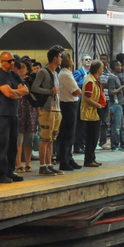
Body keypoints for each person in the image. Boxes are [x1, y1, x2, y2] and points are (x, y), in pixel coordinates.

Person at [0, 51, 29, 183]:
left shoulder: (15, 75)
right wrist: (16, 92)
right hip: (1, 115)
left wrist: (14, 92)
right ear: (2, 62)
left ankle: (10, 171)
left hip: (13, 114)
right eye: (10, 61)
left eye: (13, 61)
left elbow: (25, 91)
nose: (13, 63)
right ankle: (0, 173)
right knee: (2, 144)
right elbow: (8, 94)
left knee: (13, 145)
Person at [30, 46, 63, 177]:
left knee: (51, 139)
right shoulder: (43, 72)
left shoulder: (55, 73)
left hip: (56, 109)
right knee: (45, 138)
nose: (61, 59)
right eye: (59, 57)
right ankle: (42, 166)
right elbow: (34, 87)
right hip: (47, 109)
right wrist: (50, 91)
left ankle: (49, 164)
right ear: (55, 58)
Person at [56, 52, 81, 171]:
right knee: (68, 134)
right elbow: (76, 91)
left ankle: (68, 158)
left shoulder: (65, 73)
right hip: (68, 105)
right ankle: (64, 160)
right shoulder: (66, 74)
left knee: (69, 134)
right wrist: (79, 90)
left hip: (68, 104)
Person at [80, 60, 105, 167]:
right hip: (91, 113)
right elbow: (86, 98)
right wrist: (97, 105)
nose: (103, 70)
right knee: (92, 138)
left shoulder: (94, 80)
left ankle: (92, 158)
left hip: (94, 113)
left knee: (94, 138)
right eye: (102, 68)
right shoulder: (90, 81)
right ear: (99, 69)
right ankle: (89, 159)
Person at [16, 59, 38, 173]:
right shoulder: (14, 79)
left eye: (24, 67)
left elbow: (34, 95)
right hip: (18, 110)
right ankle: (18, 163)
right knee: (19, 139)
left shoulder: (31, 80)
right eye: (19, 67)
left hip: (30, 111)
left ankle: (28, 163)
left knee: (29, 138)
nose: (21, 69)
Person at [106, 61, 124, 151]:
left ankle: (123, 144)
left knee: (122, 126)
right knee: (116, 126)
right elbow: (111, 91)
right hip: (115, 104)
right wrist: (122, 88)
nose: (121, 67)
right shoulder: (112, 78)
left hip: (119, 104)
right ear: (115, 67)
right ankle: (115, 145)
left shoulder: (116, 77)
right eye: (119, 66)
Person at [72, 55, 91, 154]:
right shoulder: (78, 72)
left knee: (85, 125)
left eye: (89, 59)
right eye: (86, 60)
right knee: (80, 125)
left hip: (87, 101)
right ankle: (77, 145)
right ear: (82, 62)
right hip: (79, 100)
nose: (88, 61)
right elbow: (74, 85)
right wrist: (84, 80)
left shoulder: (90, 73)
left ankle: (83, 144)